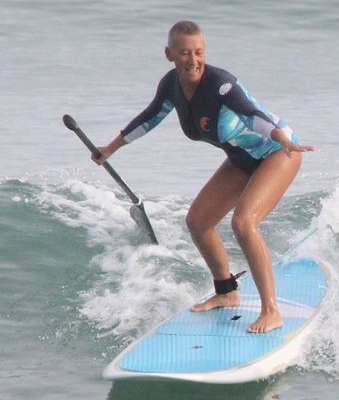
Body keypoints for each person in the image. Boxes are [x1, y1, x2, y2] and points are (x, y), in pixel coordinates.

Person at [96, 20, 314, 333]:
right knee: (198, 222)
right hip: (241, 158)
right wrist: (111, 148)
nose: (193, 60)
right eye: (185, 53)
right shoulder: (172, 85)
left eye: (199, 52)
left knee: (244, 222)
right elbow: (150, 117)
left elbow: (252, 114)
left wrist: (280, 137)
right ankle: (227, 293)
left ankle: (271, 311)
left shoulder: (221, 85)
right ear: (169, 54)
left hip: (280, 151)